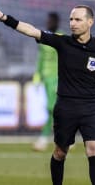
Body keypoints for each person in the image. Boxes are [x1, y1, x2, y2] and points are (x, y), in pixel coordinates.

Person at [0, 3, 95, 185]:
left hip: (90, 107)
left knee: (94, 149)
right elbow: (32, 31)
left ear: (90, 22)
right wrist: (5, 19)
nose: (73, 23)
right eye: (71, 19)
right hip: (65, 107)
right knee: (60, 152)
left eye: (78, 19)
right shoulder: (62, 42)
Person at [32, 12, 61, 151]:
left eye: (51, 21)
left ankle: (44, 138)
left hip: (58, 77)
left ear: (56, 22)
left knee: (52, 108)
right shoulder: (44, 39)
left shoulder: (62, 38)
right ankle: (67, 135)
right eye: (47, 21)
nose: (48, 23)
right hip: (46, 79)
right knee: (54, 109)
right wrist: (37, 76)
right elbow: (41, 60)